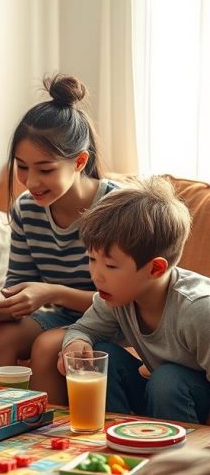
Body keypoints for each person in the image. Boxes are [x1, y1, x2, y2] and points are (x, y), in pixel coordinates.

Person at [0, 74, 117, 402]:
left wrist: (51, 292)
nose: (30, 181)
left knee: (48, 346)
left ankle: (53, 441)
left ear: (79, 162)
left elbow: (124, 300)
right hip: (60, 315)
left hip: (114, 320)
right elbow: (20, 285)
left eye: (45, 170)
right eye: (22, 167)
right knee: (0, 334)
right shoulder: (27, 210)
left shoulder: (116, 209)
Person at [58, 177, 210, 424]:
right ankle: (114, 440)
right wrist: (75, 343)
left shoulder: (198, 309)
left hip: (192, 398)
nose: (96, 275)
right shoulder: (117, 296)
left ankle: (172, 459)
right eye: (92, 259)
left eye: (110, 265)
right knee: (102, 354)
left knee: (167, 379)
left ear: (155, 269)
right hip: (159, 393)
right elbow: (83, 328)